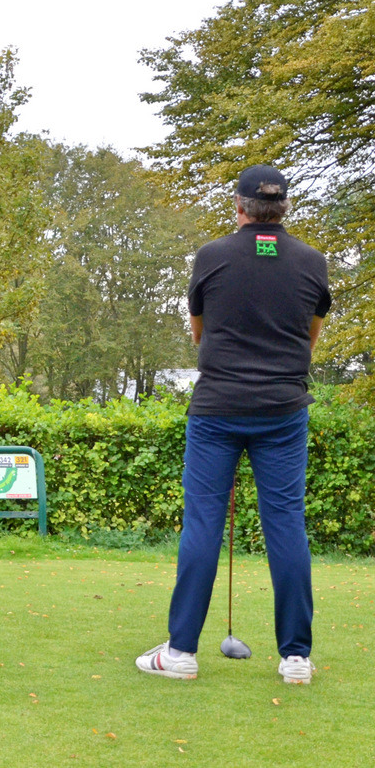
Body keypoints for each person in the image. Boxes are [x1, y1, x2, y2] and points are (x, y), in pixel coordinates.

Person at [137, 164, 331, 684]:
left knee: (203, 523)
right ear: (284, 206)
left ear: (239, 206)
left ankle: (180, 652)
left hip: (218, 408)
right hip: (283, 409)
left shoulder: (212, 256)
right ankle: (296, 659)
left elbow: (199, 333)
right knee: (286, 523)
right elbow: (309, 338)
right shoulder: (312, 262)